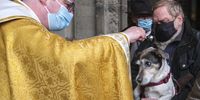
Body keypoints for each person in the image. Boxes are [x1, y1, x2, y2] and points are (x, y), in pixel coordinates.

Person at [0, 0, 146, 100]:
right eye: (68, 5)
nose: (70, 14)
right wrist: (123, 38)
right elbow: (65, 57)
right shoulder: (17, 27)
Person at [131, 0, 200, 100]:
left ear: (179, 19)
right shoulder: (149, 40)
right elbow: (134, 70)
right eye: (156, 22)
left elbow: (196, 86)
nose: (159, 26)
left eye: (164, 21)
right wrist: (141, 95)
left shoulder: (196, 42)